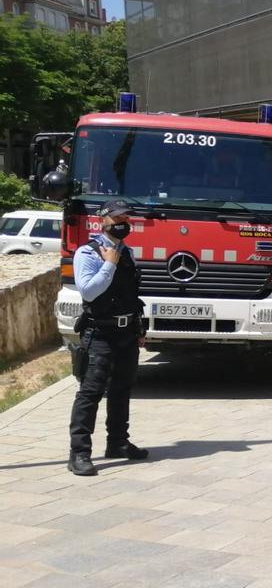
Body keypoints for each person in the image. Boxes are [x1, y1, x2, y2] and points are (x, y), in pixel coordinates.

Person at [68, 199, 149, 476]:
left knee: (121, 390)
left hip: (126, 332)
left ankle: (118, 443)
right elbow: (89, 292)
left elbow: (130, 295)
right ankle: (79, 453)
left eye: (126, 217)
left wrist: (139, 328)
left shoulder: (128, 252)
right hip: (100, 332)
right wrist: (109, 264)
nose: (123, 222)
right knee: (90, 393)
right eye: (117, 218)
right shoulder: (87, 253)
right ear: (103, 221)